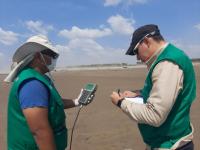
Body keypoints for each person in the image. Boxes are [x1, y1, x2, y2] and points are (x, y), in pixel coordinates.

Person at [110, 24, 196, 150]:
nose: (138, 58)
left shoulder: (167, 63)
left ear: (146, 41)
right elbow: (169, 92)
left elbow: (154, 115)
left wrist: (120, 102)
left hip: (171, 144)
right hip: (166, 140)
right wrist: (138, 94)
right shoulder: (169, 57)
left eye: (136, 51)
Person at [4, 35, 86, 150]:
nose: (54, 59)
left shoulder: (41, 78)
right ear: (38, 56)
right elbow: (39, 130)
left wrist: (77, 101)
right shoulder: (32, 84)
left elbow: (53, 103)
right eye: (52, 55)